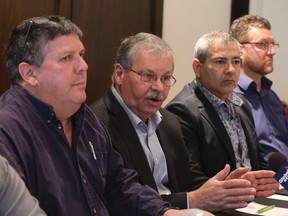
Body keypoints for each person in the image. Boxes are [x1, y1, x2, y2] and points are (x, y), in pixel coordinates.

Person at [0, 15, 212, 216]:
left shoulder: (85, 118)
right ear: (29, 73)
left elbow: (119, 185)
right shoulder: (7, 130)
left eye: (81, 56)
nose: (83, 66)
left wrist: (165, 212)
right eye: (66, 58)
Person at [90, 32, 276, 213]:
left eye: (165, 78)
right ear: (119, 73)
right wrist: (191, 200)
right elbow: (118, 199)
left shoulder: (168, 122)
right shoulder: (95, 125)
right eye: (147, 76)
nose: (158, 87)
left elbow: (187, 182)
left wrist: (227, 188)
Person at [166, 31, 279, 197]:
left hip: (254, 201)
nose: (230, 70)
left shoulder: (242, 104)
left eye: (236, 61)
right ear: (198, 68)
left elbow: (259, 161)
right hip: (217, 206)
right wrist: (237, 190)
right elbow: (190, 179)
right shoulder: (181, 110)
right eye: (220, 62)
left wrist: (272, 184)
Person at [229, 15, 288, 162]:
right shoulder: (229, 98)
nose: (272, 52)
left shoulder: (272, 97)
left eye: (273, 44)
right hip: (263, 180)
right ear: (240, 49)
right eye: (263, 44)